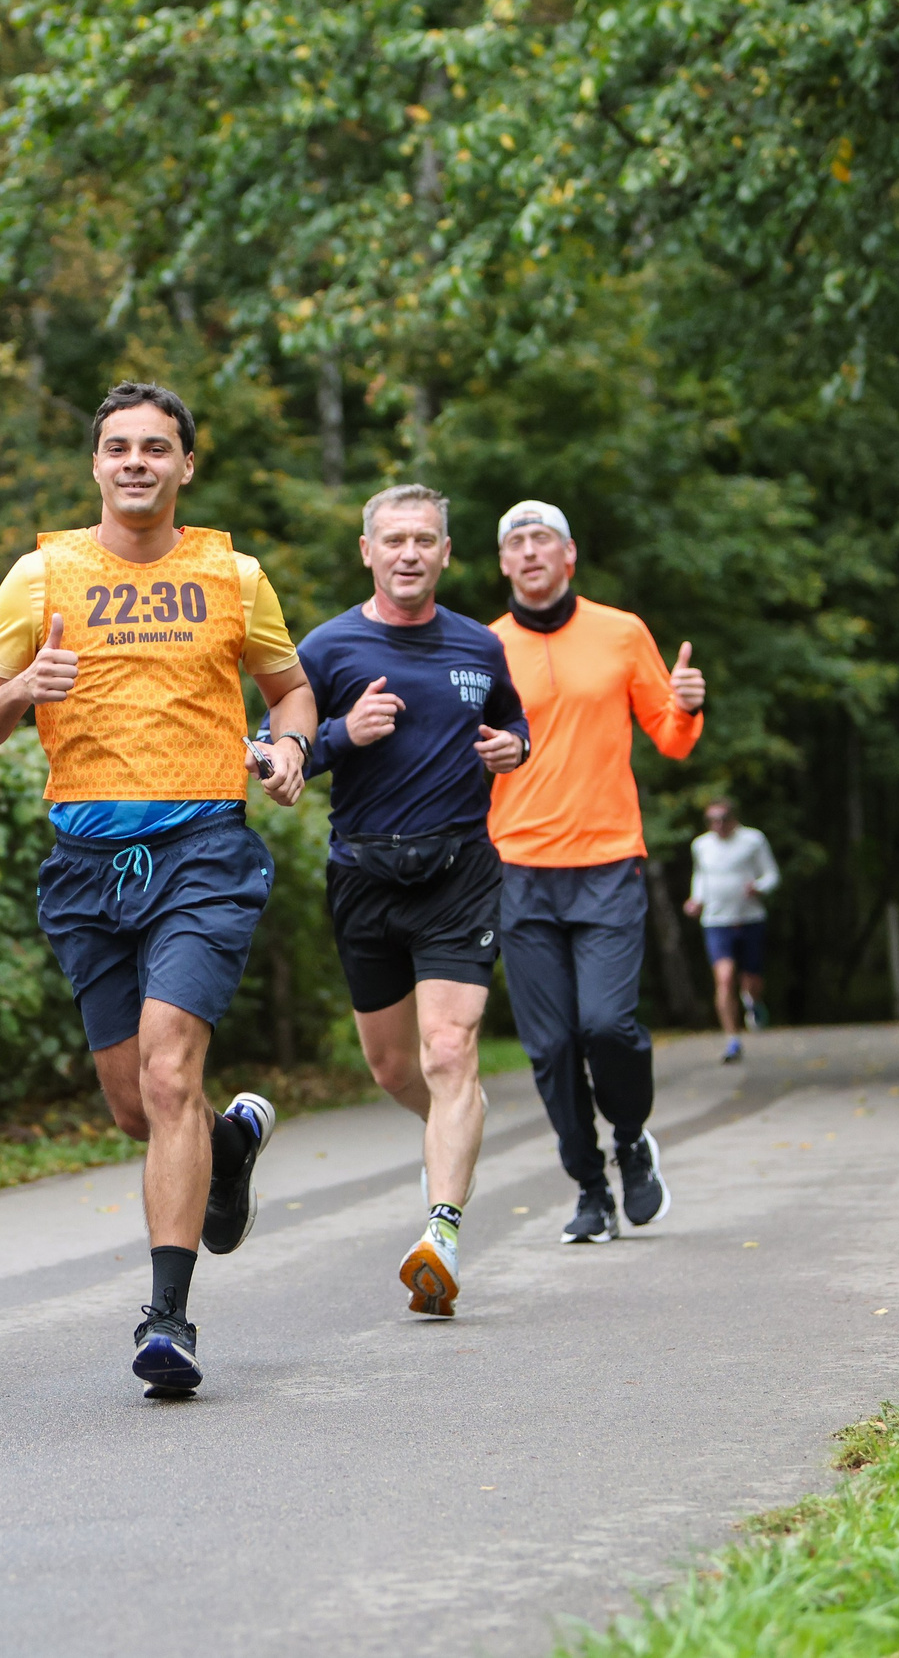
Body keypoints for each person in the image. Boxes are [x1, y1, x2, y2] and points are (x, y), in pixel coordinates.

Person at [0, 380, 317, 1397]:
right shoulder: (41, 575)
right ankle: (226, 1144)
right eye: (118, 447)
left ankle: (168, 1319)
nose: (136, 463)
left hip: (203, 849)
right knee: (135, 1106)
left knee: (167, 1073)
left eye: (156, 448)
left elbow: (290, 689)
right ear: (96, 465)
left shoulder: (235, 575)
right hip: (85, 865)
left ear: (186, 465)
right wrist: (22, 689)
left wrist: (289, 744)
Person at [295, 483, 528, 1318]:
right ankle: (456, 1120)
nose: (409, 553)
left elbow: (514, 725)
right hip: (363, 873)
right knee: (395, 1068)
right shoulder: (326, 648)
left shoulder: (478, 645)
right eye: (393, 539)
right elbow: (278, 752)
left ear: (446, 553)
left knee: (448, 1050)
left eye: (424, 539)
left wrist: (512, 748)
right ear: (367, 551)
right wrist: (341, 734)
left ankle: (443, 1232)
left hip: (458, 872)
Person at [487, 499, 705, 1245]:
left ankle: (632, 1139)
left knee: (607, 1026)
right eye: (516, 541)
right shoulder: (484, 647)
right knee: (550, 1047)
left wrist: (687, 706)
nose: (529, 550)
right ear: (503, 563)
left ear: (569, 555)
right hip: (518, 867)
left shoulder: (621, 631)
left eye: (542, 538)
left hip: (609, 861)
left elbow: (672, 739)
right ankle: (588, 1186)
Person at [685, 798, 780, 1062]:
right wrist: (696, 900)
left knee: (751, 981)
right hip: (716, 921)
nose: (718, 825)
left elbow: (772, 875)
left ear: (734, 818)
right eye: (712, 820)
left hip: (750, 918)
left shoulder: (753, 840)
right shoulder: (701, 845)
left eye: (723, 818)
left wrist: (759, 887)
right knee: (724, 978)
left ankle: (754, 1002)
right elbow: (700, 876)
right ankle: (732, 1039)